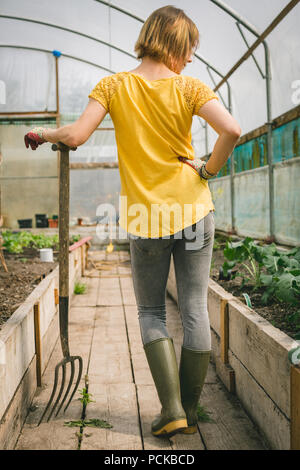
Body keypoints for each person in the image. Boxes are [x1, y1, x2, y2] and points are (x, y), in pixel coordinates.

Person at [24, 5, 241, 438]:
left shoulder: (114, 85)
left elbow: (76, 136)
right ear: (175, 45)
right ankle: (191, 411)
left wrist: (43, 134)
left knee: (150, 310)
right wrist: (207, 171)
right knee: (195, 306)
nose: (192, 59)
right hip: (196, 210)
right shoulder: (190, 87)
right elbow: (232, 130)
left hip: (147, 217)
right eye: (189, 48)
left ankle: (171, 408)